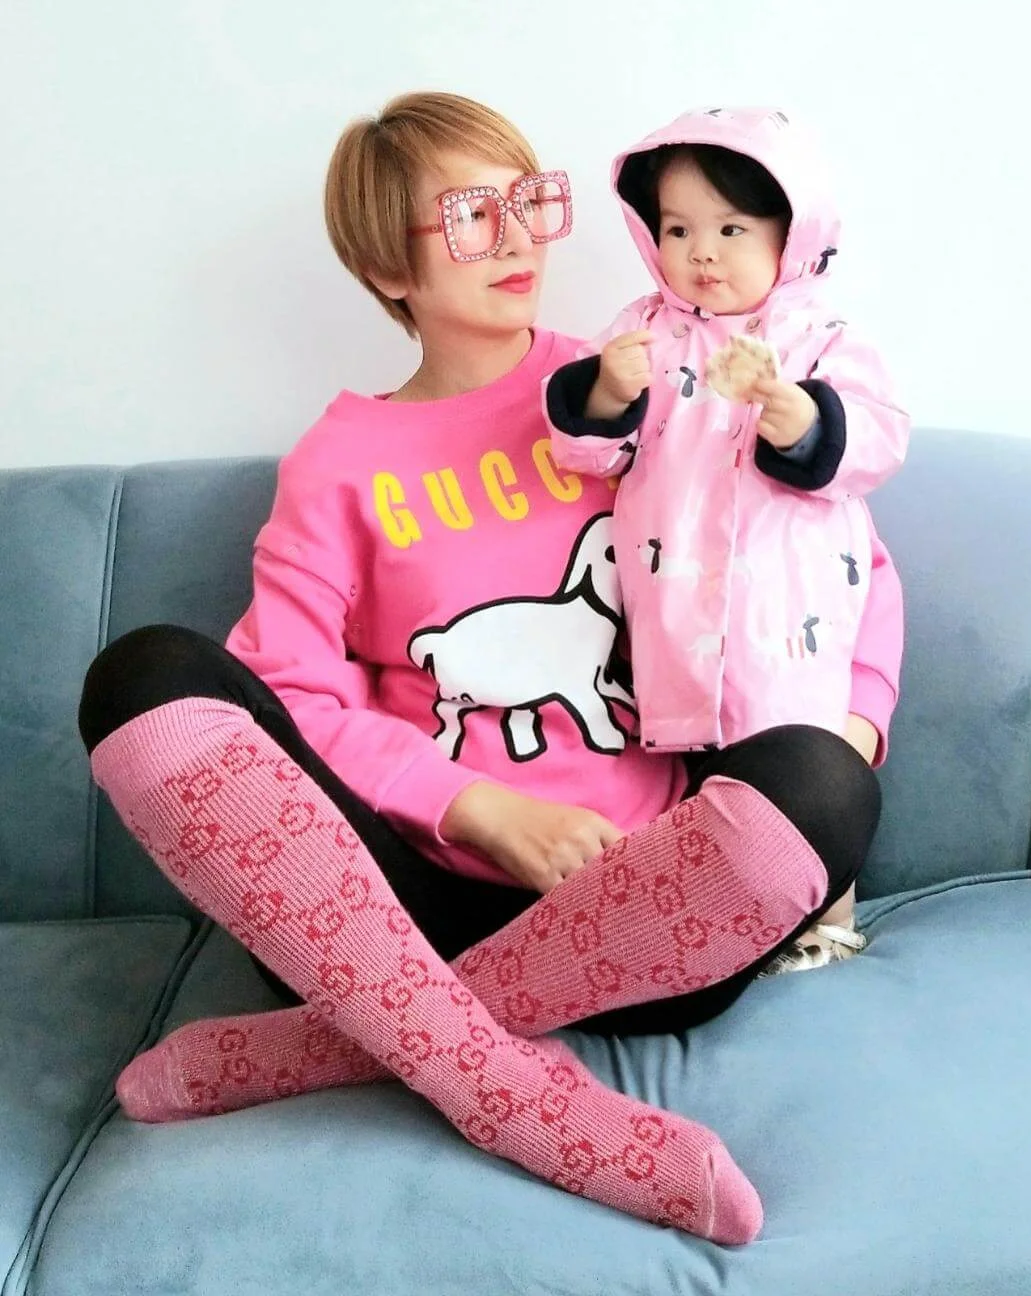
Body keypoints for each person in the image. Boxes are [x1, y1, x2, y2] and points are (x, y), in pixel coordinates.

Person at [78, 93, 886, 1247]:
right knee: (144, 675)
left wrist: (859, 718)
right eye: (468, 216)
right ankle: (527, 1105)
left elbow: (838, 550)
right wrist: (481, 808)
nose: (516, 239)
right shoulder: (341, 463)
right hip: (395, 913)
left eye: (527, 203)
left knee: (827, 782)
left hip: (648, 916)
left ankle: (331, 1046)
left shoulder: (648, 380)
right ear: (384, 267)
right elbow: (292, 696)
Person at [543, 107, 909, 968]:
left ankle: (830, 917)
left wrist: (797, 417)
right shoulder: (643, 332)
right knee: (707, 788)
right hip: (673, 612)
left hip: (787, 616)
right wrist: (605, 394)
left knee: (800, 761)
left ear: (791, 233)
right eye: (678, 229)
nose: (701, 252)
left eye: (731, 229)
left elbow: (879, 440)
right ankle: (728, 930)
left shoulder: (820, 338)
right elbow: (588, 454)